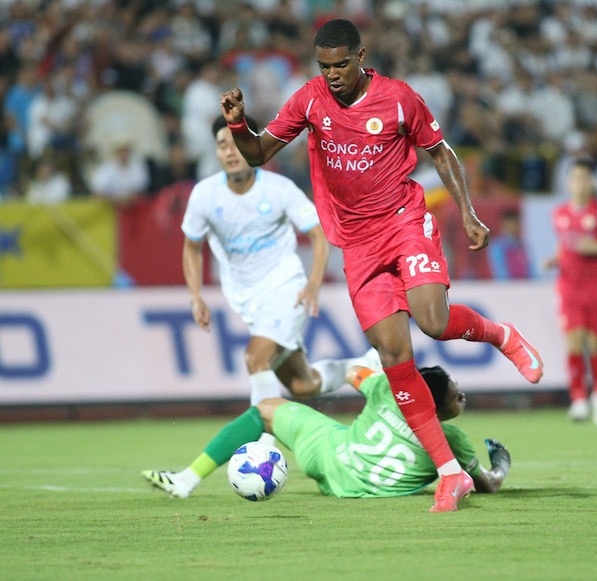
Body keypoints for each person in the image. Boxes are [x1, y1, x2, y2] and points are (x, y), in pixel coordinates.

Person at [219, 19, 542, 512]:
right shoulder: (309, 100)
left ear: (361, 56)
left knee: (432, 322)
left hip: (405, 221)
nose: (332, 75)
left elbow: (442, 152)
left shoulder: (398, 98)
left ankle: (502, 335)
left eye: (341, 64)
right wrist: (241, 124)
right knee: (394, 359)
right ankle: (450, 474)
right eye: (324, 66)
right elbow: (260, 153)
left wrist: (470, 213)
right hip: (359, 245)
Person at [169, 114, 379, 449]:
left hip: (286, 287)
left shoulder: (279, 189)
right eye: (223, 145)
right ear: (216, 152)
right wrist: (195, 296)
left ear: (250, 145)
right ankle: (363, 365)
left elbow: (318, 234)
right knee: (302, 384)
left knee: (255, 358)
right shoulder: (204, 196)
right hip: (247, 299)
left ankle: (262, 451)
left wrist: (312, 284)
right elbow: (192, 247)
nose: (231, 151)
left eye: (238, 143)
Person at [142, 364, 511, 500]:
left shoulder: (387, 391)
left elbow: (353, 374)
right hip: (358, 492)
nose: (462, 395)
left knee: (265, 409)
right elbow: (487, 484)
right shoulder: (453, 441)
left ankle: (187, 479)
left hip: (329, 454)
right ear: (435, 408)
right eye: (455, 394)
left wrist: (357, 370)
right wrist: (502, 463)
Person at [545, 156, 597, 427]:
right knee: (574, 340)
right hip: (569, 286)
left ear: (592, 182)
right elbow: (565, 245)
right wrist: (554, 259)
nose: (580, 183)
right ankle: (579, 399)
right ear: (569, 182)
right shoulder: (559, 213)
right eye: (575, 178)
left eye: (585, 178)